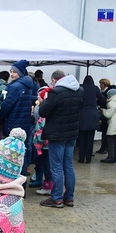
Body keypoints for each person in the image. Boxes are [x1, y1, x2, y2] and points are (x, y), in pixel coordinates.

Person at [38, 71, 83, 208]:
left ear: (55, 80)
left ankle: (56, 198)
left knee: (56, 167)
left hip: (57, 134)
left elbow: (43, 112)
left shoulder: (56, 92)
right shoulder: (79, 91)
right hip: (72, 133)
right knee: (68, 165)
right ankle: (69, 197)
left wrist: (43, 102)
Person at [0, 60, 36, 178]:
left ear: (20, 73)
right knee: (21, 155)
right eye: (11, 72)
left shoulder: (15, 86)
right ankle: (21, 184)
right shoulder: (28, 85)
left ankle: (13, 184)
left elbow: (6, 106)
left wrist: (0, 121)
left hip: (13, 124)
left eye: (14, 72)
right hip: (24, 125)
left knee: (12, 157)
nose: (12, 74)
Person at [77, 75, 105, 164]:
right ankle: (88, 159)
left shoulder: (80, 87)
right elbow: (102, 100)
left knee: (81, 137)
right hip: (93, 114)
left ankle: (81, 158)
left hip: (82, 114)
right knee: (90, 138)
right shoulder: (95, 88)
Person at [100, 88, 116, 164]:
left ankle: (110, 157)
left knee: (110, 139)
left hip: (114, 124)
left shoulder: (112, 103)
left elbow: (108, 115)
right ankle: (115, 157)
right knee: (115, 140)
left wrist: (103, 110)